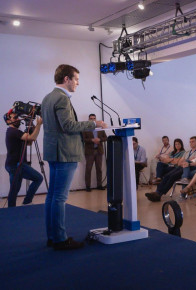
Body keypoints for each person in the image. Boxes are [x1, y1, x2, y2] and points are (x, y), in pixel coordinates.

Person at [42, 64, 107, 250]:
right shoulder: (62, 98)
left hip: (54, 151)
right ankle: (60, 239)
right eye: (76, 79)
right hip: (65, 152)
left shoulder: (48, 97)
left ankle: (52, 236)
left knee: (52, 197)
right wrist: (94, 124)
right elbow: (68, 126)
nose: (78, 83)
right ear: (66, 79)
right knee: (60, 198)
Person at [4, 110, 43, 207]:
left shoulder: (15, 132)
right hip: (16, 165)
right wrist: (38, 125)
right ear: (8, 121)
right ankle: (26, 202)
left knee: (15, 190)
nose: (18, 119)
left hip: (17, 164)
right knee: (38, 178)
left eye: (17, 117)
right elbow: (31, 138)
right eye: (15, 118)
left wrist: (32, 128)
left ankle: (12, 209)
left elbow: (28, 143)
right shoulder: (13, 131)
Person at [145, 137, 196, 202]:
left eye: (193, 141)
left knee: (172, 176)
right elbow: (179, 163)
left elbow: (194, 162)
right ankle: (157, 192)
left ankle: (159, 194)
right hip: (181, 167)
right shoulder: (187, 152)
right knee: (167, 175)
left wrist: (185, 161)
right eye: (190, 142)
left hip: (190, 169)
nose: (191, 143)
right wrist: (186, 160)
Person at [82, 114, 107, 191]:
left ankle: (99, 185)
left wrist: (99, 139)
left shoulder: (100, 128)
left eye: (94, 118)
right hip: (89, 152)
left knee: (99, 169)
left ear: (96, 119)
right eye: (91, 119)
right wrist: (92, 140)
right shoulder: (85, 128)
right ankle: (88, 186)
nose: (92, 120)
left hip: (99, 151)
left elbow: (105, 137)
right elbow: (83, 139)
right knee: (88, 169)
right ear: (88, 120)